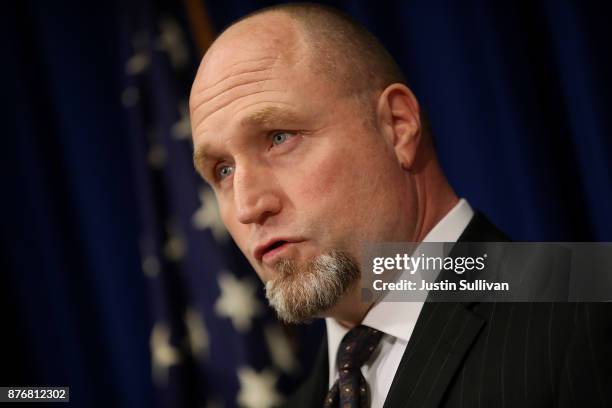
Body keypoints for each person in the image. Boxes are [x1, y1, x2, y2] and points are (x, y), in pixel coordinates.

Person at [189, 4, 610, 407]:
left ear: (398, 126)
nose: (248, 206)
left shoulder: (588, 313)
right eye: (222, 170)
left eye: (279, 137)